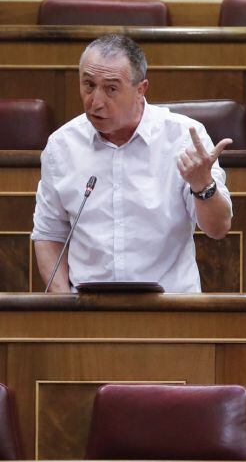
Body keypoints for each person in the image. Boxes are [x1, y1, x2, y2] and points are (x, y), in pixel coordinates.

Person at [31, 33, 233, 293]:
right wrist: (65, 309)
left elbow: (218, 228)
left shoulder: (183, 138)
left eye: (111, 88)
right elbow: (48, 235)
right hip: (89, 315)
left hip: (171, 313)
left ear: (141, 89)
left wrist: (202, 184)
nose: (96, 101)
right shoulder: (62, 146)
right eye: (89, 85)